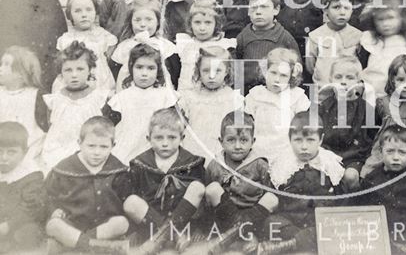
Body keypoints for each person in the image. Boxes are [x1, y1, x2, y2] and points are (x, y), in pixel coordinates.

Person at [183, 112, 278, 254]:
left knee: (272, 198)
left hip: (253, 217)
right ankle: (245, 235)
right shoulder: (215, 165)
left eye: (244, 140)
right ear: (221, 141)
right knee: (212, 188)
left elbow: (267, 194)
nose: (238, 146)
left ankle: (234, 236)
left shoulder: (260, 164)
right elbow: (206, 202)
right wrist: (202, 227)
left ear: (253, 141)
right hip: (223, 218)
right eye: (231, 140)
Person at [119, 107, 205, 254]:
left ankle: (162, 237)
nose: (165, 143)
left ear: (182, 138)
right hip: (149, 226)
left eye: (172, 137)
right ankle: (172, 236)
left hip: (183, 223)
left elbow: (203, 203)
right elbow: (133, 197)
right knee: (130, 201)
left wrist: (201, 228)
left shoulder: (192, 163)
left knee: (198, 187)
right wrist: (133, 231)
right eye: (159, 138)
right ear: (149, 139)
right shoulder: (140, 164)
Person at [258, 112, 344, 254]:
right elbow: (273, 195)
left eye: (310, 140)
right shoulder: (283, 164)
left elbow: (340, 197)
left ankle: (293, 244)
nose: (304, 147)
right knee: (271, 223)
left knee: (332, 228)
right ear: (290, 139)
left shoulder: (329, 163)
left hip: (317, 220)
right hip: (289, 219)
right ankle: (303, 243)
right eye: (298, 140)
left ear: (320, 140)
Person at [45, 116, 129, 253]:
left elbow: (125, 199)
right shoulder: (64, 169)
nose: (97, 152)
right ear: (80, 143)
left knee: (121, 223)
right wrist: (53, 210)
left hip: (103, 228)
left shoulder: (118, 170)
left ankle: (76, 245)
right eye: (91, 146)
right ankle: (98, 248)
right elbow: (48, 195)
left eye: (103, 147)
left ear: (113, 146)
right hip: (72, 224)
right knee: (53, 225)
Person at [103, 43, 178, 163]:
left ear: (158, 70)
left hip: (157, 149)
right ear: (131, 68)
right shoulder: (122, 98)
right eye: (139, 67)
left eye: (150, 68)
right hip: (128, 148)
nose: (144, 73)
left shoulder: (166, 96)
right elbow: (108, 128)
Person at [42, 42, 110, 173]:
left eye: (80, 69)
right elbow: (50, 125)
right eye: (68, 70)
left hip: (89, 150)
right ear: (61, 74)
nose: (74, 75)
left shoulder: (98, 98)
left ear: (90, 70)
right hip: (58, 149)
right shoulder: (55, 100)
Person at [356, 125, 406, 248]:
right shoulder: (372, 179)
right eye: (390, 151)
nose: (396, 157)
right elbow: (359, 207)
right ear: (380, 151)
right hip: (381, 233)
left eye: (402, 152)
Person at [318, 57, 376, 190]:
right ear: (331, 80)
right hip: (329, 155)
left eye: (349, 78)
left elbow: (372, 137)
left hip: (353, 157)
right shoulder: (324, 106)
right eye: (338, 77)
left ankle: (353, 205)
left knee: (351, 176)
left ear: (358, 82)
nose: (343, 82)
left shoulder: (366, 109)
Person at [178, 46, 244, 162]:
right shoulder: (191, 97)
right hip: (195, 147)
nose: (211, 76)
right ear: (199, 71)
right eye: (206, 70)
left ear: (226, 71)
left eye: (217, 70)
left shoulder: (233, 98)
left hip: (220, 148)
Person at [245, 47, 310, 162]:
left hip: (286, 148)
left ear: (291, 76)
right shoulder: (256, 95)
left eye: (283, 75)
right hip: (259, 148)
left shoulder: (296, 97)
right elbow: (248, 124)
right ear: (265, 71)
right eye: (273, 73)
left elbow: (301, 127)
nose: (277, 79)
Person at [235, 0, 299, 93]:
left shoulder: (284, 37)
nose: (258, 12)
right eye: (254, 7)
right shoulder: (243, 36)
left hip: (277, 90)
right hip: (248, 92)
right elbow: (237, 64)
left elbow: (296, 68)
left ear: (276, 10)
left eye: (264, 7)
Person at [305, 0, 361, 96]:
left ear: (352, 9)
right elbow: (311, 66)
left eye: (346, 8)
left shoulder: (358, 36)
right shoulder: (315, 36)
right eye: (336, 7)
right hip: (322, 95)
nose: (342, 12)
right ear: (325, 10)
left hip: (350, 95)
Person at [110, 0, 177, 91]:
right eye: (137, 20)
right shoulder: (124, 47)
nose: (143, 24)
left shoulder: (166, 46)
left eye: (149, 19)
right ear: (130, 22)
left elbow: (175, 74)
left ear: (158, 21)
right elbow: (115, 74)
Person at [54, 0, 117, 92]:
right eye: (78, 11)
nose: (84, 15)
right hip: (74, 80)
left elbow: (109, 58)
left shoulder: (104, 36)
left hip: (99, 80)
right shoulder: (66, 39)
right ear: (70, 15)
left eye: (89, 10)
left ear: (95, 12)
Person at [0, 122, 46, 253]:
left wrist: (8, 225)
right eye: (0, 151)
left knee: (27, 234)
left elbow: (32, 209)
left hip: (20, 222)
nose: (4, 158)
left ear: (24, 152)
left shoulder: (31, 175)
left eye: (11, 152)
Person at [358, 0, 406, 98]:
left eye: (390, 18)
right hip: (374, 94)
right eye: (380, 19)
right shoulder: (369, 41)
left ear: (400, 18)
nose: (386, 24)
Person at [174, 0, 235, 92]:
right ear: (190, 23)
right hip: (187, 93)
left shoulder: (223, 45)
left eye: (208, 22)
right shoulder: (185, 43)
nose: (202, 28)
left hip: (213, 93)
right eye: (197, 22)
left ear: (216, 24)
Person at [0, 46, 48, 163]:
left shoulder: (36, 96)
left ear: (21, 73)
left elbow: (43, 130)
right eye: (1, 64)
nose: (1, 68)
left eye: (6, 64)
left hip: (29, 154)